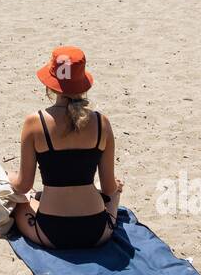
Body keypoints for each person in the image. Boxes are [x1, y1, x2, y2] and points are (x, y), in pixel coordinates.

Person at [9, 46, 122, 249]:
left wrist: (9, 179)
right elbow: (108, 188)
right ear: (83, 84)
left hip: (50, 232)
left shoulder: (35, 123)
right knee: (115, 192)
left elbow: (23, 185)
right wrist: (116, 188)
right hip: (97, 231)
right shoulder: (101, 123)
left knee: (19, 201)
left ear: (51, 86)